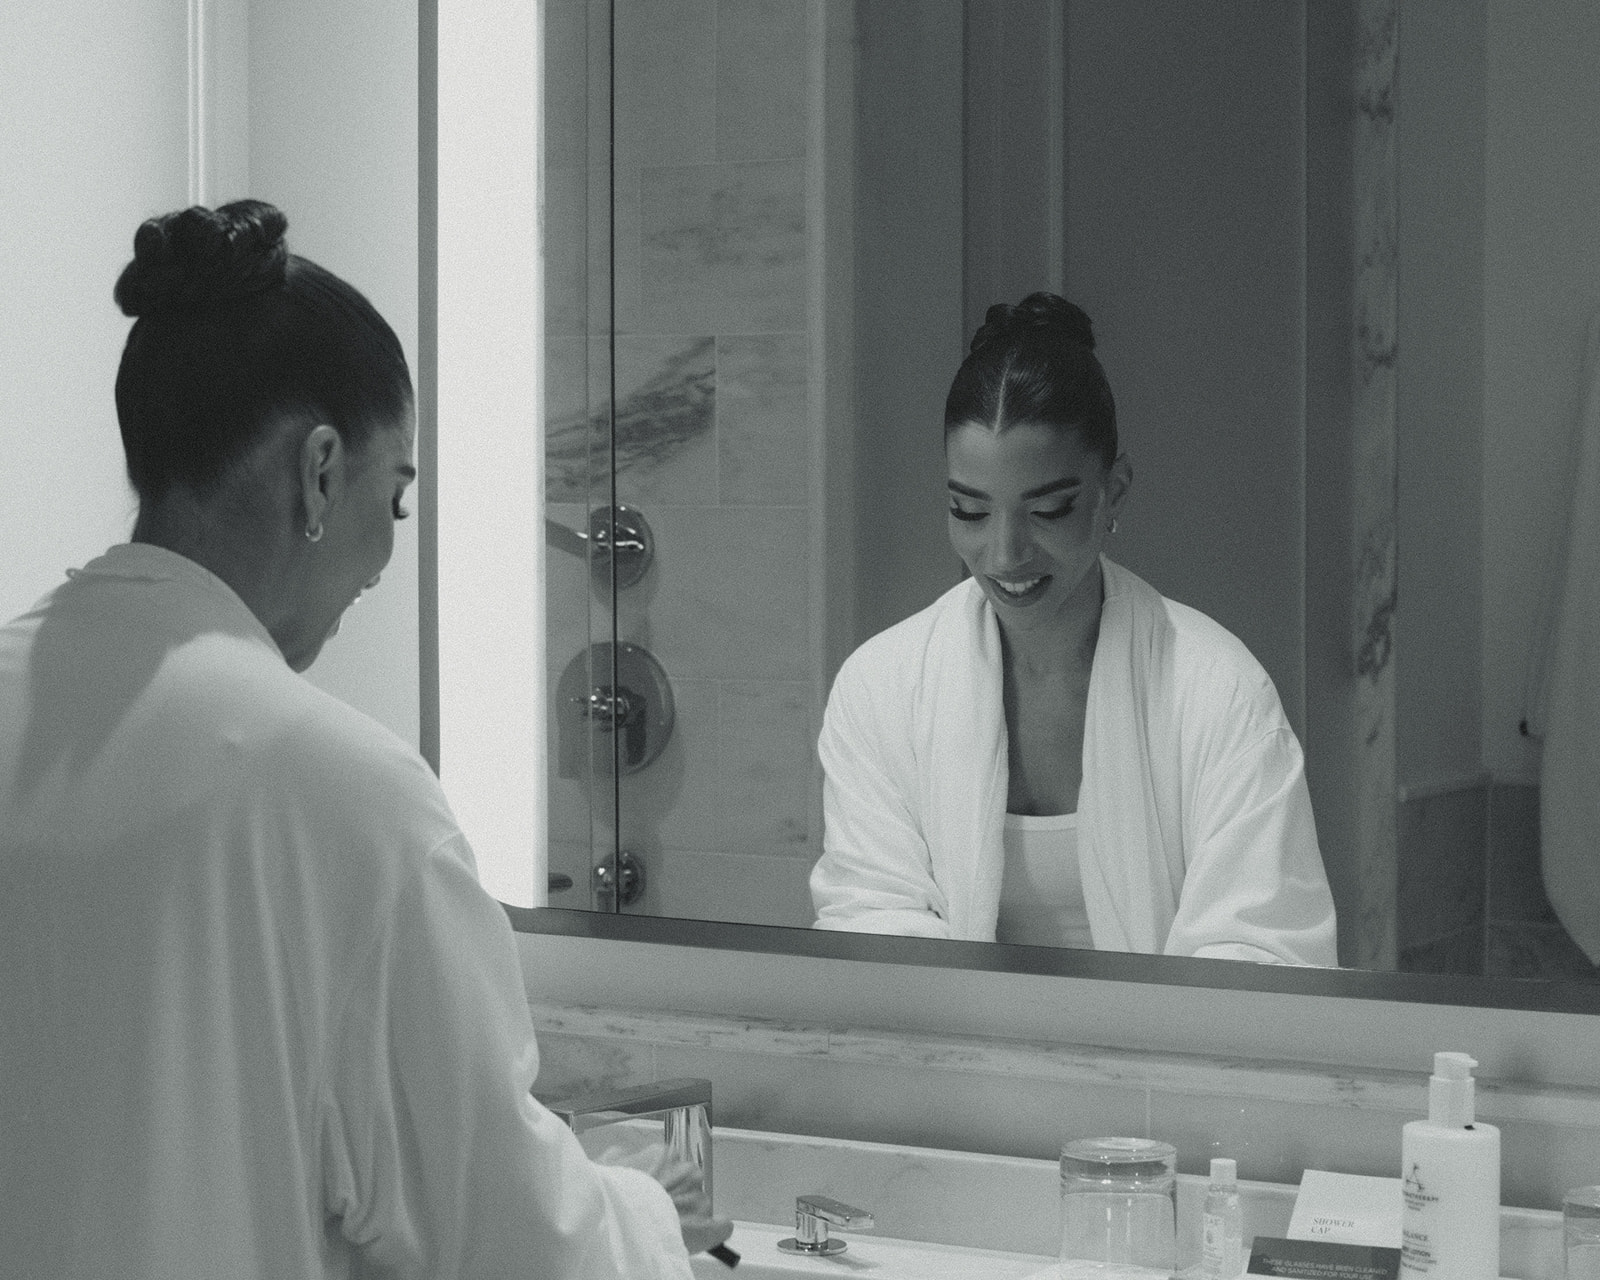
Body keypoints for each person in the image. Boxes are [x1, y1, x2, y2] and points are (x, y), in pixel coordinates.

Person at [0, 201, 731, 1279]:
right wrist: (646, 1212)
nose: (385, 564)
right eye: (395, 501)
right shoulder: (341, 792)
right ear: (322, 469)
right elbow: (510, 1237)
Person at [810, 293, 1337, 965]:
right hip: (955, 1063)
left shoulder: (1216, 691)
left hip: (1161, 1066)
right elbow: (872, 921)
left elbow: (1261, 950)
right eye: (969, 510)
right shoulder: (881, 688)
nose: (1005, 555)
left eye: (1048, 509)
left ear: (1113, 490)